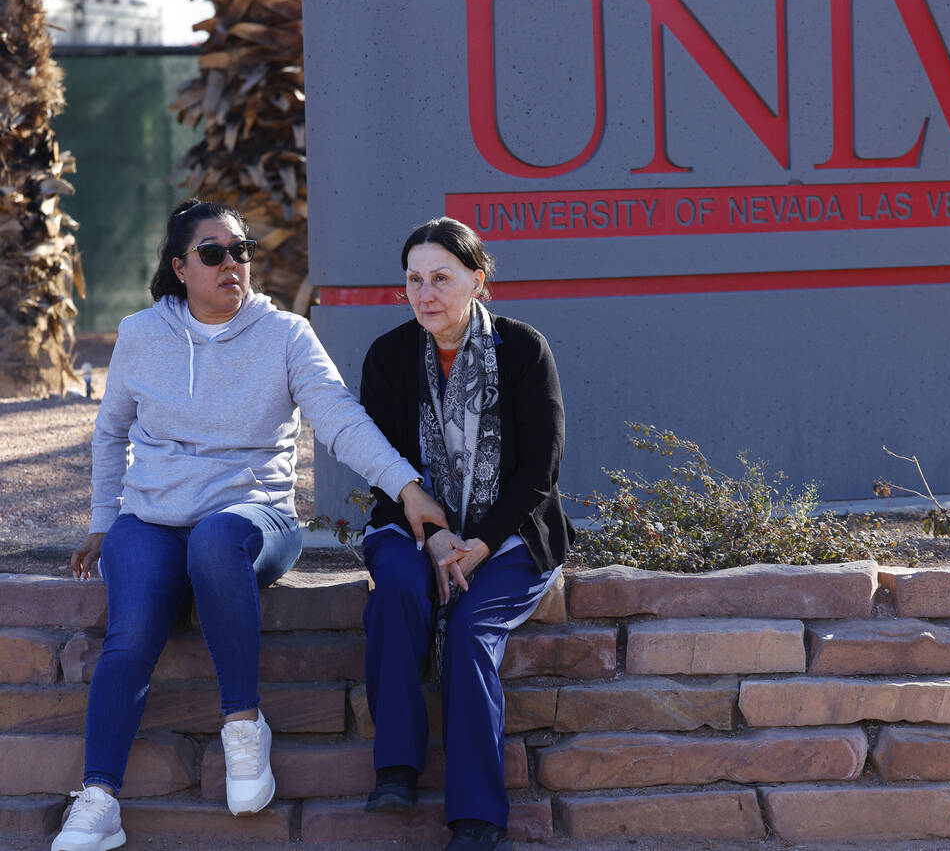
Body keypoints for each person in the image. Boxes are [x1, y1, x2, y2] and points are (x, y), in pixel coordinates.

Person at [51, 199, 447, 851]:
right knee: (129, 635)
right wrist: (101, 520)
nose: (232, 263)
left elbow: (341, 420)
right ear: (181, 266)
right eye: (214, 252)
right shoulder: (141, 333)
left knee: (214, 539)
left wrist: (406, 486)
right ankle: (99, 799)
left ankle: (243, 724)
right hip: (152, 517)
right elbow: (111, 430)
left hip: (254, 518)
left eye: (242, 250)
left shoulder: (286, 334)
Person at [358, 217, 572, 851]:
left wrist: (478, 543)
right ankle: (396, 768)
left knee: (475, 627)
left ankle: (478, 819)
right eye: (414, 280)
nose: (426, 294)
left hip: (509, 535)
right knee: (397, 590)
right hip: (413, 526)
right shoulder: (390, 355)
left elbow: (542, 470)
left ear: (478, 281)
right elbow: (382, 468)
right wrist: (433, 538)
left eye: (442, 278)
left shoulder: (523, 349)